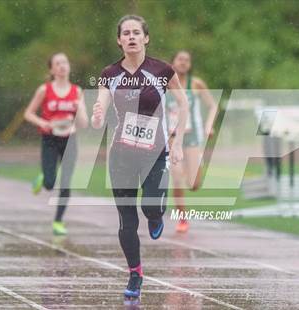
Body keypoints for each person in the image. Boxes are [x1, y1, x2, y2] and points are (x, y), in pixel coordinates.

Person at [91, 15, 189, 301]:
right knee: (126, 221)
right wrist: (97, 116)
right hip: (121, 155)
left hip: (155, 153)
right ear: (119, 40)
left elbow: (183, 104)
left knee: (150, 208)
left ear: (146, 38)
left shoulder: (162, 70)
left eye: (137, 33)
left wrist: (179, 141)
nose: (131, 37)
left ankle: (157, 213)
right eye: (126, 33)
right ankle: (135, 273)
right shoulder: (109, 74)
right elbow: (101, 109)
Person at [24, 52, 88, 235]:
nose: (62, 66)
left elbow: (84, 123)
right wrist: (42, 123)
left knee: (66, 183)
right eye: (58, 63)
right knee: (51, 183)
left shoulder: (77, 91)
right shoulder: (44, 90)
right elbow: (28, 113)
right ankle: (44, 178)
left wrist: (79, 107)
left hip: (70, 140)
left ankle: (58, 221)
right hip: (50, 139)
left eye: (65, 62)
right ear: (52, 69)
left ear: (69, 66)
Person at [166, 50, 218, 233]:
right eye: (180, 59)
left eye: (187, 60)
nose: (183, 63)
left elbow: (212, 106)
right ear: (172, 62)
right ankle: (182, 219)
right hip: (172, 138)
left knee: (194, 184)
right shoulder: (165, 85)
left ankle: (193, 168)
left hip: (193, 136)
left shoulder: (196, 84)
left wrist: (208, 126)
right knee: (177, 178)